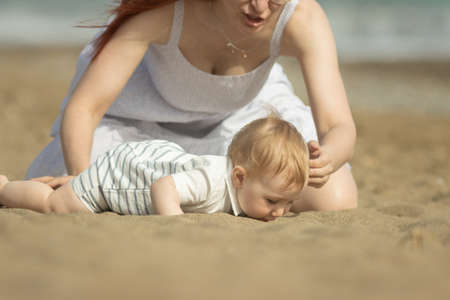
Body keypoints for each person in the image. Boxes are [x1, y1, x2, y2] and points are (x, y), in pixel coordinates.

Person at [26, 0, 357, 212]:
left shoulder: (302, 17)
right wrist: (82, 181)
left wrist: (328, 159)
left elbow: (337, 126)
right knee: (68, 183)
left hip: (243, 119)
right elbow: (85, 108)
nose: (259, 8)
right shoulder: (165, 9)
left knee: (335, 197)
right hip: (142, 121)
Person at [1, 117, 309, 222]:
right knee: (57, 205)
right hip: (121, 175)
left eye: (288, 203)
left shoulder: (240, 188)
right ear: (239, 177)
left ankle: (72, 182)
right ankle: (4, 187)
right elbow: (163, 186)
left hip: (142, 161)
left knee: (73, 188)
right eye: (272, 201)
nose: (280, 212)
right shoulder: (212, 182)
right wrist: (175, 223)